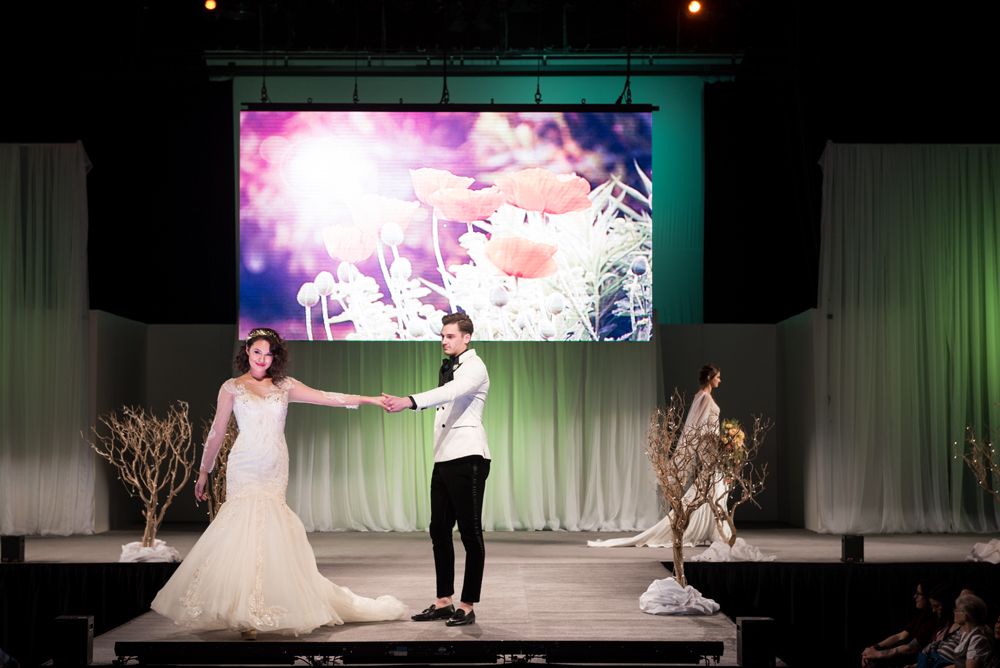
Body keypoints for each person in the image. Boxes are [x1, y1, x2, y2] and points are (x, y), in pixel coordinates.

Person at [151, 328, 407, 638]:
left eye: (268, 354)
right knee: (241, 529)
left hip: (273, 464)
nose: (262, 359)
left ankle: (262, 606)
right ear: (247, 352)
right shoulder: (232, 387)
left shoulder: (284, 386)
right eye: (257, 352)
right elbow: (217, 431)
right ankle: (244, 611)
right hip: (244, 463)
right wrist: (204, 470)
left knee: (269, 529)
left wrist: (369, 399)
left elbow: (327, 397)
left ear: (276, 357)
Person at [382, 313, 491, 627]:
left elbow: (449, 392)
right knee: (439, 530)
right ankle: (444, 601)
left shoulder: (475, 366)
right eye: (442, 336)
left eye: (450, 336)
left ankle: (467, 605)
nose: (444, 341)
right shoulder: (450, 366)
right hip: (444, 458)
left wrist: (409, 401)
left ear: (466, 337)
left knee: (470, 533)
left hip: (469, 457)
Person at [588, 364, 730, 548]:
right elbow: (697, 427)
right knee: (712, 484)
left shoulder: (702, 396)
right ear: (710, 378)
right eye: (717, 377)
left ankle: (711, 528)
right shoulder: (705, 397)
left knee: (712, 486)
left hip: (711, 447)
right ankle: (711, 529)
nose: (720, 380)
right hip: (708, 448)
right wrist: (712, 444)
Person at [861, 582, 939, 666]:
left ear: (927, 596)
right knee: (870, 659)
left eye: (919, 594)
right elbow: (899, 636)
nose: (915, 596)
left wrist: (878, 654)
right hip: (904, 655)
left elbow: (910, 648)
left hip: (914, 660)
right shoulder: (922, 615)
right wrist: (873, 648)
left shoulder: (933, 621)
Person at [949, 594, 994, 668]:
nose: (954, 612)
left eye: (957, 610)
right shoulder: (966, 634)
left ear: (966, 614)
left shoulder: (978, 639)